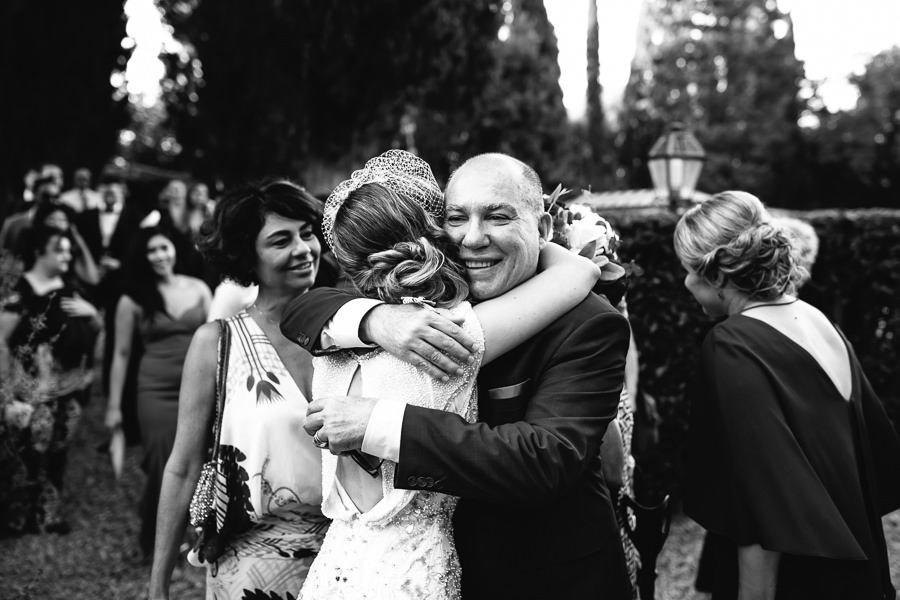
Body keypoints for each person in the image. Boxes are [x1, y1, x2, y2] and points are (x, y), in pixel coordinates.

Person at [282, 152, 633, 599]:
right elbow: (304, 308)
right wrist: (375, 320)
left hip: (538, 578)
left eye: (497, 217)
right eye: (456, 218)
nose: (472, 237)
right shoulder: (413, 311)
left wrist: (379, 422)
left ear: (543, 229)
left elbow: (546, 460)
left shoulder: (587, 323)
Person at [675, 191, 900, 600]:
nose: (686, 282)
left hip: (801, 581)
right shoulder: (818, 320)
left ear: (718, 274)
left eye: (690, 269)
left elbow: (762, 504)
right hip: (858, 571)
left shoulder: (732, 343)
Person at [148, 180, 330, 600]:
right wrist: (158, 585)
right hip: (253, 565)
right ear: (248, 254)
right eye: (281, 240)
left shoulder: (349, 329)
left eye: (308, 232)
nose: (304, 249)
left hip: (350, 555)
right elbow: (182, 465)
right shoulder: (217, 342)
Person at [105, 225, 211, 560]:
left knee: (200, 455)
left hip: (197, 386)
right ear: (142, 257)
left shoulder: (199, 288)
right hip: (154, 389)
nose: (159, 256)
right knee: (161, 461)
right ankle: (154, 537)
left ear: (175, 249)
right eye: (151, 250)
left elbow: (217, 342)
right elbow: (120, 354)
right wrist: (113, 406)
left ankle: (191, 529)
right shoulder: (133, 298)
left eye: (164, 247)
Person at [0, 225, 101, 535]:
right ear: (38, 252)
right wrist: (9, 394)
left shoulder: (71, 287)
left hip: (71, 387)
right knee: (30, 450)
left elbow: (96, 332)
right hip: (32, 390)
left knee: (59, 450)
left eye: (69, 250)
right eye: (60, 249)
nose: (67, 255)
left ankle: (48, 515)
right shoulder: (19, 293)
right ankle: (19, 517)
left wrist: (93, 314)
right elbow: (2, 343)